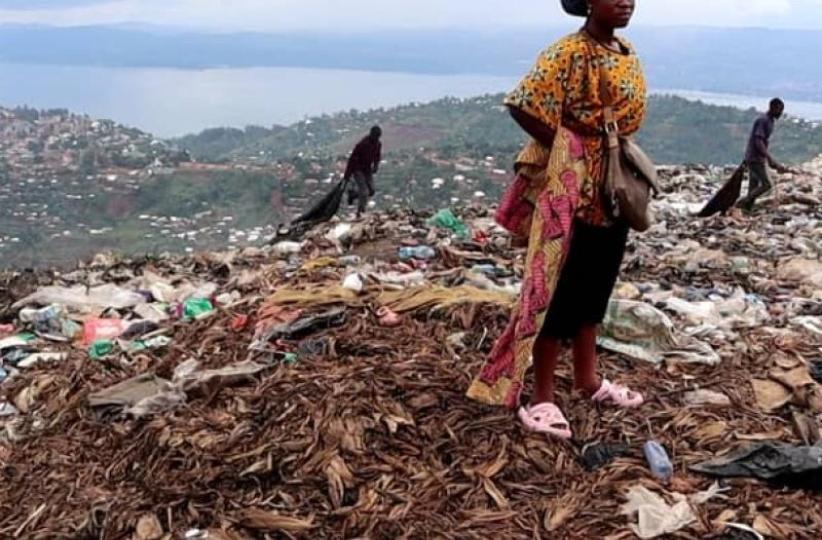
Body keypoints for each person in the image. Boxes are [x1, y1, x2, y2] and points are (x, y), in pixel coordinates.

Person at [467, 0, 646, 440]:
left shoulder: (625, 51)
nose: (625, 1)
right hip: (572, 190)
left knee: (596, 288)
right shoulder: (568, 53)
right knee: (558, 291)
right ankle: (541, 396)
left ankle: (588, 381)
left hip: (612, 191)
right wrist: (568, 147)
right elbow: (523, 103)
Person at [737, 98, 788, 211]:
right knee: (767, 184)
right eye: (779, 110)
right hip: (755, 158)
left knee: (753, 186)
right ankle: (742, 202)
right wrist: (769, 158)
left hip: (755, 157)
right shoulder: (763, 120)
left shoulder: (770, 121)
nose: (781, 113)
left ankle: (746, 210)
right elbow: (758, 141)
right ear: (773, 108)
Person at [344, 126, 382, 219]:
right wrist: (347, 175)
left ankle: (353, 194)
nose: (376, 138)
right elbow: (352, 159)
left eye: (378, 137)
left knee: (371, 191)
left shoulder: (378, 144)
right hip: (357, 169)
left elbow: (377, 156)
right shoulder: (362, 144)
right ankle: (360, 213)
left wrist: (376, 166)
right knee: (364, 192)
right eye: (375, 136)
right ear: (371, 134)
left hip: (367, 169)